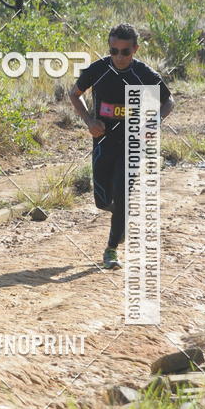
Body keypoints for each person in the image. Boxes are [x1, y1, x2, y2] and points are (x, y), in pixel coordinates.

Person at [69, 23, 174, 269]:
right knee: (102, 200)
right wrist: (89, 121)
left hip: (132, 143)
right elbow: (74, 93)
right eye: (114, 50)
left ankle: (111, 249)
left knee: (122, 194)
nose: (119, 57)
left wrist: (154, 122)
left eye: (125, 52)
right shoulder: (99, 69)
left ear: (135, 49)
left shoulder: (143, 73)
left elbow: (168, 100)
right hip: (103, 142)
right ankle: (122, 217)